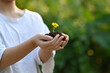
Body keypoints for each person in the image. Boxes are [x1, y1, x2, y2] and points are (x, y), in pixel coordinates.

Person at [0, 0, 69, 73]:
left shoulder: (34, 18)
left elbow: (42, 58)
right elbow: (2, 60)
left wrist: (49, 46)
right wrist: (33, 43)